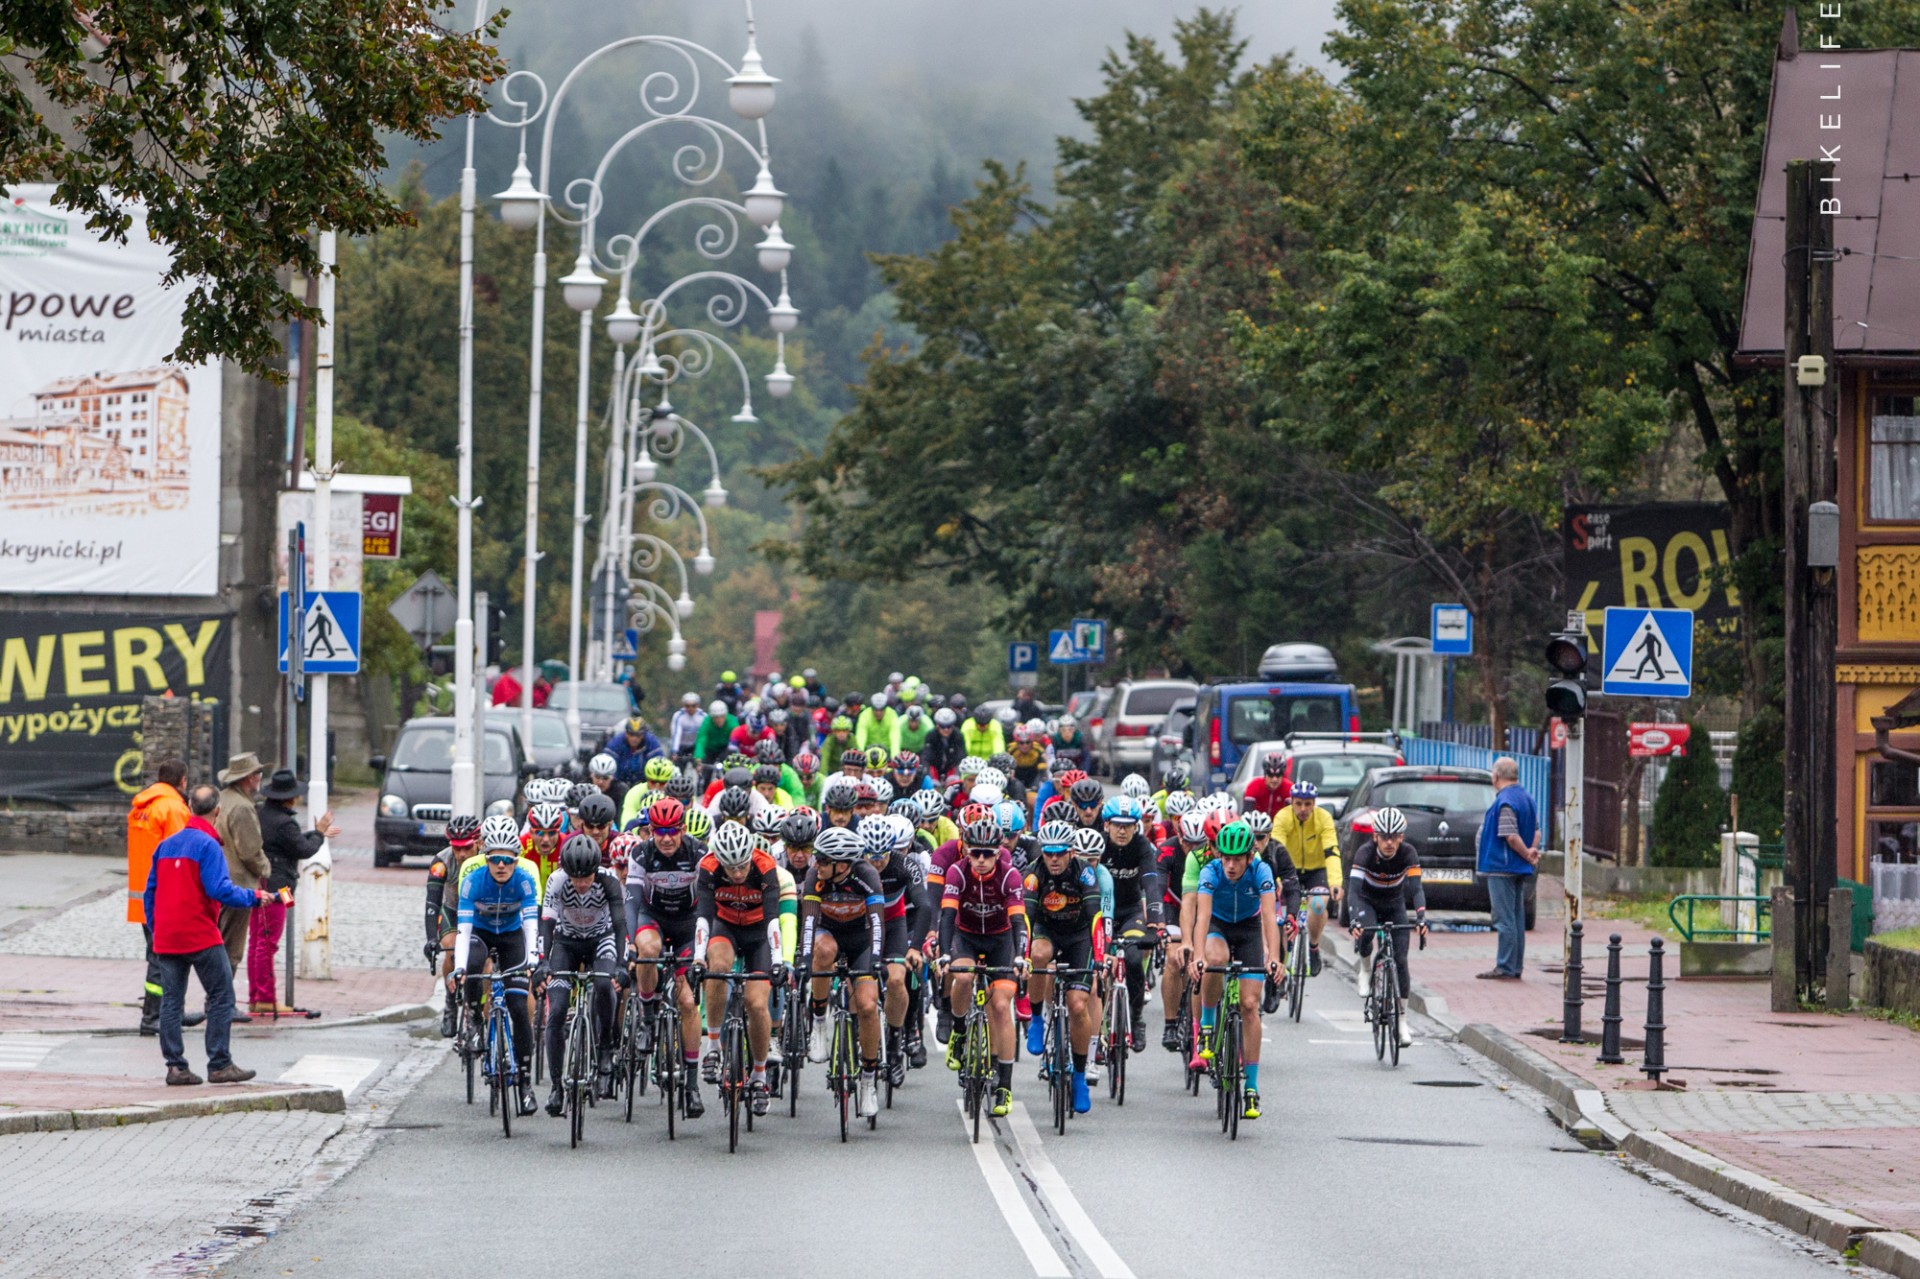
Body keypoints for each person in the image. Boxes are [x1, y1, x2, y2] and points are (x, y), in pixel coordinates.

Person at [144, 784, 281, 1086]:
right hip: (200, 934)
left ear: (191, 808)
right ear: (217, 811)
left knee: (171, 1001)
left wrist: (157, 928)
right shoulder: (208, 845)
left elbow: (149, 893)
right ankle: (219, 1064)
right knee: (221, 995)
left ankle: (175, 1067)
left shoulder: (165, 846)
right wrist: (255, 897)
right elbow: (219, 889)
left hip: (167, 936)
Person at [1187, 819, 1285, 1119]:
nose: (1230, 865)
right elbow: (1202, 917)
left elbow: (1269, 916)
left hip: (1249, 930)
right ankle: (1206, 1025)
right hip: (1217, 925)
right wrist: (1198, 956)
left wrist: (1275, 958)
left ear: (1249, 857)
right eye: (1225, 858)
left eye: (1237, 859)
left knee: (1250, 1004)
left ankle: (1252, 1088)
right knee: (1214, 961)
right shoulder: (1210, 871)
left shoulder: (1261, 871)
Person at [796, 825, 889, 1118]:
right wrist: (804, 960)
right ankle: (820, 1022)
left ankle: (868, 1080)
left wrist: (875, 959)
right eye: (817, 858)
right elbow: (809, 923)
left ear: (842, 864)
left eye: (823, 861)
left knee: (866, 1005)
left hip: (861, 940)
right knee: (822, 952)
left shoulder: (867, 875)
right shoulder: (815, 877)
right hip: (828, 934)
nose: (816, 864)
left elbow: (877, 923)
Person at [939, 818, 1029, 1118]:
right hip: (966, 936)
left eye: (987, 854)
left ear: (998, 853)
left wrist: (1020, 956)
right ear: (966, 851)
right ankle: (960, 1031)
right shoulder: (957, 872)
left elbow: (1018, 922)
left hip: (1000, 940)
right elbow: (947, 917)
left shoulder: (1010, 876)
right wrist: (943, 954)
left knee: (1002, 1006)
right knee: (962, 977)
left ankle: (1004, 1085)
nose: (980, 859)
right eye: (975, 852)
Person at [694, 822, 786, 1117]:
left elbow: (773, 919)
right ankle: (713, 1046)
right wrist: (698, 959)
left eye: (741, 866)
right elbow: (704, 918)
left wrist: (777, 960)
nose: (736, 874)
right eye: (730, 868)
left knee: (756, 1003)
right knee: (717, 967)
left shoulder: (764, 865)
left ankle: (759, 1078)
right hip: (726, 927)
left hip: (759, 932)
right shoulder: (708, 866)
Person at [626, 795, 710, 1117]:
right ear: (650, 830)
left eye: (672, 830)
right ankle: (648, 1016)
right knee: (647, 950)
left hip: (688, 926)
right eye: (659, 830)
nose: (666, 837)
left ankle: (691, 1085)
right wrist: (631, 943)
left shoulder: (699, 854)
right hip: (653, 918)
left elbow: (706, 904)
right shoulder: (641, 854)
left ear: (683, 829)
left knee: (688, 1002)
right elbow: (632, 901)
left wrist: (701, 951)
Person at [454, 818, 542, 1117]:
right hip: (479, 933)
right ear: (486, 858)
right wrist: (459, 967)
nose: (501, 865)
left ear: (516, 860)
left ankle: (525, 1084)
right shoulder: (473, 881)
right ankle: (477, 1018)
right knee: (473, 965)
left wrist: (533, 960)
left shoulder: (525, 880)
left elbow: (531, 926)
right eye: (495, 859)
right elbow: (463, 931)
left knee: (519, 1007)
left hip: (512, 936)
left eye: (508, 859)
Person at [1023, 820, 1112, 1115]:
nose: (1054, 859)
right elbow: (1025, 918)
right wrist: (1021, 956)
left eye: (1060, 853)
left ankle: (1078, 1076)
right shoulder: (1034, 875)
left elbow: (1095, 916)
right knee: (1037, 953)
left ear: (1071, 852)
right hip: (1047, 931)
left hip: (1078, 937)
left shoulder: (1084, 872)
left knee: (1077, 1005)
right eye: (1048, 853)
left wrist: (1099, 956)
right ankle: (1036, 1019)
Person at [538, 834, 629, 1115]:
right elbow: (547, 925)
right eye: (575, 878)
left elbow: (620, 924)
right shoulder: (557, 880)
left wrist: (622, 965)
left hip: (601, 939)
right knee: (557, 1012)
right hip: (566, 943)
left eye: (586, 878)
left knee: (604, 984)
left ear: (595, 871)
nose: (580, 884)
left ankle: (605, 1048)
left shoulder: (609, 880)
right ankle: (556, 1086)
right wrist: (542, 962)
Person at [254, 770, 338, 1017]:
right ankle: (266, 999)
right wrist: (320, 833)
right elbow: (303, 849)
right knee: (267, 943)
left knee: (257, 940)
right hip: (279, 888)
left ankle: (256, 997)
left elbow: (293, 842)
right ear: (289, 798)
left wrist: (315, 834)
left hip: (261, 883)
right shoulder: (285, 822)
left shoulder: (262, 815)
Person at [1348, 806, 1426, 1048]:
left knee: (1401, 961)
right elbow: (1353, 891)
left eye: (1394, 837)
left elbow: (1416, 888)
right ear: (1375, 836)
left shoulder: (1408, 853)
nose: (1389, 842)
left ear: (1401, 837)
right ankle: (1365, 969)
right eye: (1384, 837)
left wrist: (1422, 917)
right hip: (1367, 902)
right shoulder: (1365, 853)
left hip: (1394, 904)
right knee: (1366, 931)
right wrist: (1354, 921)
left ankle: (1402, 1022)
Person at [129, 757, 192, 1036]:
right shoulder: (173, 808)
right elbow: (181, 853)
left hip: (143, 894)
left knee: (161, 954)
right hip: (164, 895)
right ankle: (153, 1017)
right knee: (161, 957)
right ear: (182, 781)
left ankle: (172, 1012)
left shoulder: (141, 807)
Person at [213, 753, 269, 1023]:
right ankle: (223, 1003)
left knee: (220, 941)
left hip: (218, 879)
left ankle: (219, 1000)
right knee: (231, 947)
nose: (260, 777)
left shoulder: (223, 801)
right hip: (238, 883)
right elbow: (250, 851)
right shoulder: (243, 808)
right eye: (257, 773)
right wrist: (265, 869)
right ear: (248, 778)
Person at [1477, 756, 1540, 980]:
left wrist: (1525, 852)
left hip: (1502, 866)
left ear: (1496, 777)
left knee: (1504, 920)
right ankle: (1515, 966)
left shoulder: (1506, 801)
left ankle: (1505, 966)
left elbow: (1510, 835)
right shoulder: (1528, 798)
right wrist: (1532, 851)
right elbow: (1537, 831)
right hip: (1518, 867)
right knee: (1516, 918)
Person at [1271, 781, 1342, 975]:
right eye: (1299, 804)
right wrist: (1276, 878)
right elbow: (1276, 851)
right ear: (1292, 802)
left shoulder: (1323, 818)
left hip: (1316, 871)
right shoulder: (1282, 817)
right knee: (1282, 919)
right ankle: (1279, 966)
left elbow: (1332, 852)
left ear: (1314, 803)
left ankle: (1313, 946)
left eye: (1308, 804)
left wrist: (1335, 883)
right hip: (1289, 871)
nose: (1303, 809)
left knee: (1318, 905)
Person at [424, 815, 484, 1036]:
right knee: (451, 950)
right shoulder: (441, 862)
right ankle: (450, 1004)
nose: (461, 854)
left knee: (483, 961)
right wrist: (431, 939)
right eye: (456, 848)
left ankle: (475, 1010)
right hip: (453, 911)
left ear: (479, 842)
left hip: (481, 913)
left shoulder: (488, 859)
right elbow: (432, 902)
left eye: (467, 848)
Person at [601, 716, 664, 785]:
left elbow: (659, 763)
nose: (634, 738)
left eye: (638, 735)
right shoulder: (616, 742)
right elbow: (608, 764)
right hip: (620, 783)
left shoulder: (651, 742)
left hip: (644, 783)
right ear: (626, 733)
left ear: (643, 734)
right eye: (631, 734)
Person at [668, 692, 705, 760]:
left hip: (696, 746)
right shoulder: (678, 716)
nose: (690, 708)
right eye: (687, 706)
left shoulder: (703, 716)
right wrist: (674, 751)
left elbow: (703, 736)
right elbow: (676, 734)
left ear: (698, 705)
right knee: (676, 767)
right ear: (683, 705)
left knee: (702, 765)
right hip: (681, 746)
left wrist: (700, 754)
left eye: (693, 706)